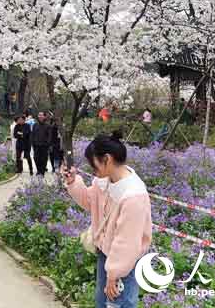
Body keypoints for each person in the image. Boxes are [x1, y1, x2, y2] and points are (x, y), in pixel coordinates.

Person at [62, 131, 152, 308]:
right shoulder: (105, 181)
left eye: (93, 164)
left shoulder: (133, 196)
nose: (92, 170)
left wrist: (114, 274)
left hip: (125, 264)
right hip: (107, 256)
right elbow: (90, 202)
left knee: (118, 304)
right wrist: (73, 182)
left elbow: (127, 243)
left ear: (107, 159)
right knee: (104, 304)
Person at [32, 111, 53, 176]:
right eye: (39, 115)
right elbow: (32, 134)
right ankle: (38, 170)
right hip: (36, 145)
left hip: (44, 146)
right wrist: (33, 143)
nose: (40, 116)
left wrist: (47, 144)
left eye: (41, 115)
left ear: (44, 116)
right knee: (36, 158)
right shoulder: (35, 125)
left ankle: (42, 171)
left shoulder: (48, 126)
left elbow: (50, 136)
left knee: (43, 159)